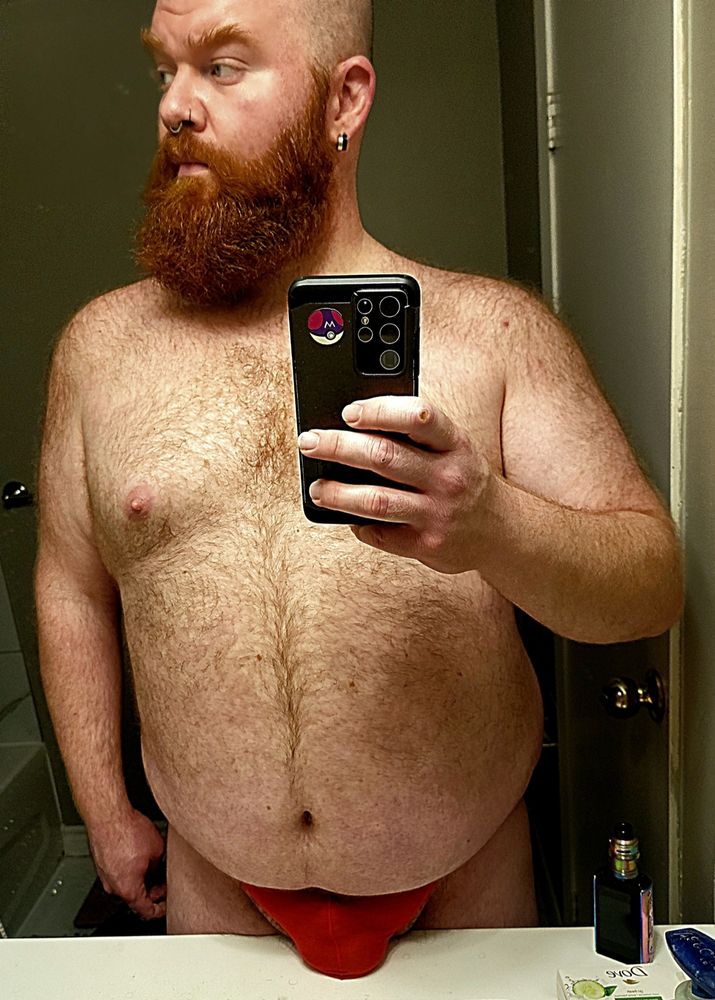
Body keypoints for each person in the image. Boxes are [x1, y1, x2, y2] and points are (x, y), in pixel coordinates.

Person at [34, 0, 683, 980]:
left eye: (222, 66)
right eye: (166, 69)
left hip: (465, 882)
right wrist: (103, 808)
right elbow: (72, 588)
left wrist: (494, 525)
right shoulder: (99, 351)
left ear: (344, 98)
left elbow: (648, 587)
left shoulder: (494, 333)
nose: (173, 105)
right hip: (216, 887)